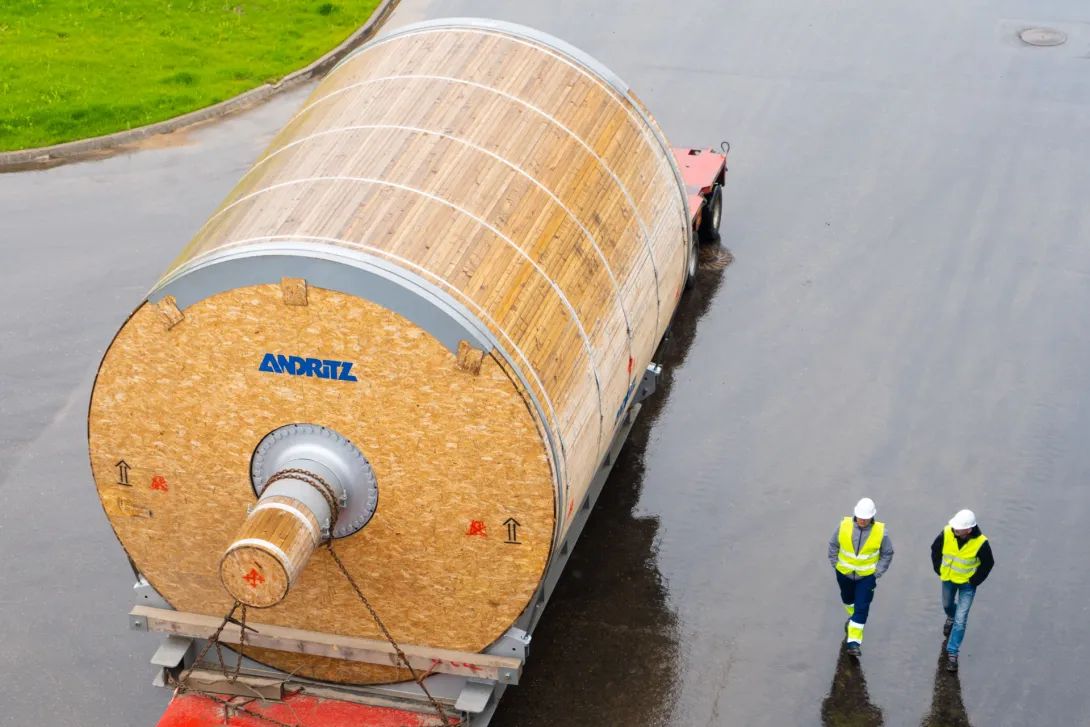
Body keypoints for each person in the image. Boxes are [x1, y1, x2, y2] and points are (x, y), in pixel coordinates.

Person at [828, 498, 894, 657]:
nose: (863, 520)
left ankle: (853, 643)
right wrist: (835, 564)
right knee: (847, 600)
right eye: (860, 517)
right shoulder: (843, 526)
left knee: (862, 608)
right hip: (844, 574)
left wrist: (877, 574)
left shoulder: (880, 532)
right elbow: (833, 545)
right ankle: (853, 619)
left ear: (872, 517)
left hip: (866, 578)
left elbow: (887, 553)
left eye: (866, 517)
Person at [931, 509, 993, 672]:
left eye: (959, 528)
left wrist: (974, 581)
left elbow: (988, 563)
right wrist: (939, 569)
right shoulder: (947, 532)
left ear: (969, 530)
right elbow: (935, 549)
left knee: (961, 618)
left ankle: (952, 654)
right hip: (948, 579)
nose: (955, 529)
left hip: (967, 585)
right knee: (947, 605)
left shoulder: (981, 543)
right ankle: (950, 617)